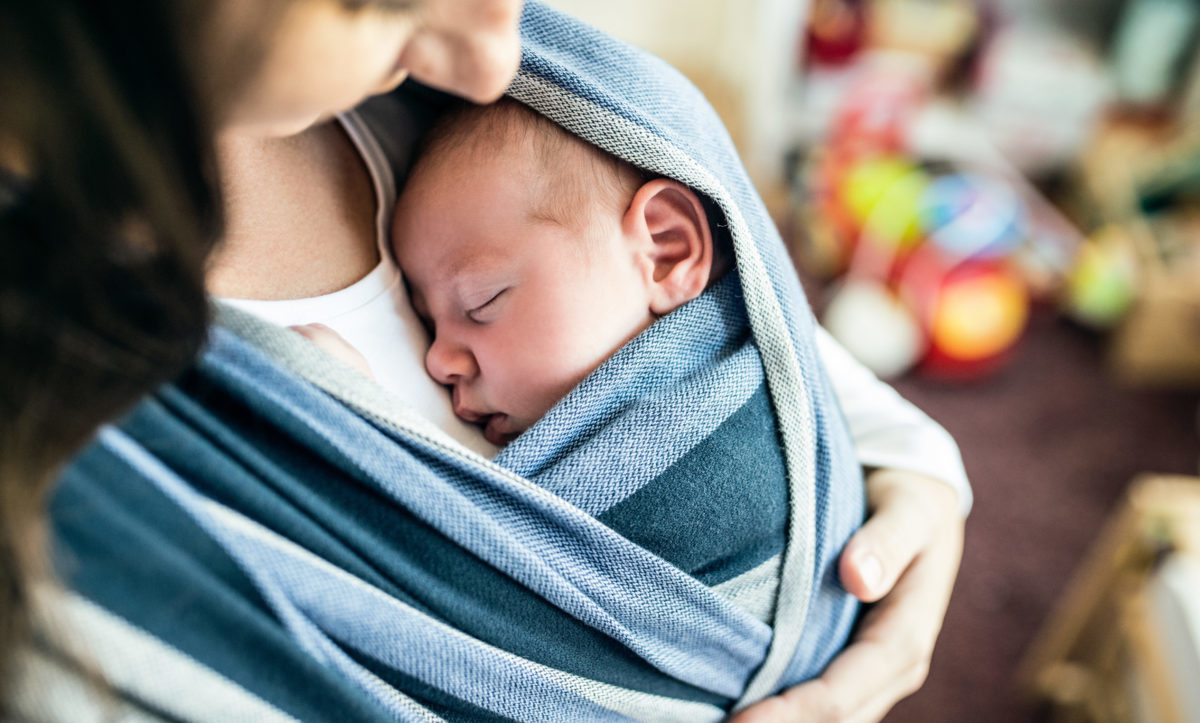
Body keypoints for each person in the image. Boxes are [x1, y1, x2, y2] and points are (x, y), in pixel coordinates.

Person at [0, 1, 966, 720]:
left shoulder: (496, 108)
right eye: (380, 2)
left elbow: (734, 318)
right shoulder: (75, 433)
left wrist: (915, 461)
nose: (495, 51)